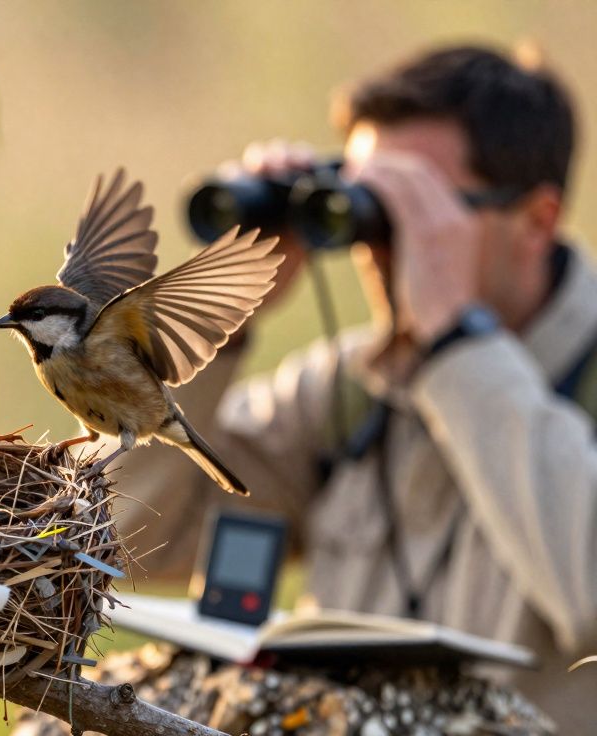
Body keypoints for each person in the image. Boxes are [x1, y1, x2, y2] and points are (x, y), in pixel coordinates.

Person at [118, 45, 597, 731]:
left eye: (419, 208)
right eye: (366, 205)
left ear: (537, 220)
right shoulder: (349, 390)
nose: (380, 246)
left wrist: (457, 344)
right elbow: (123, 535)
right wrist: (218, 319)